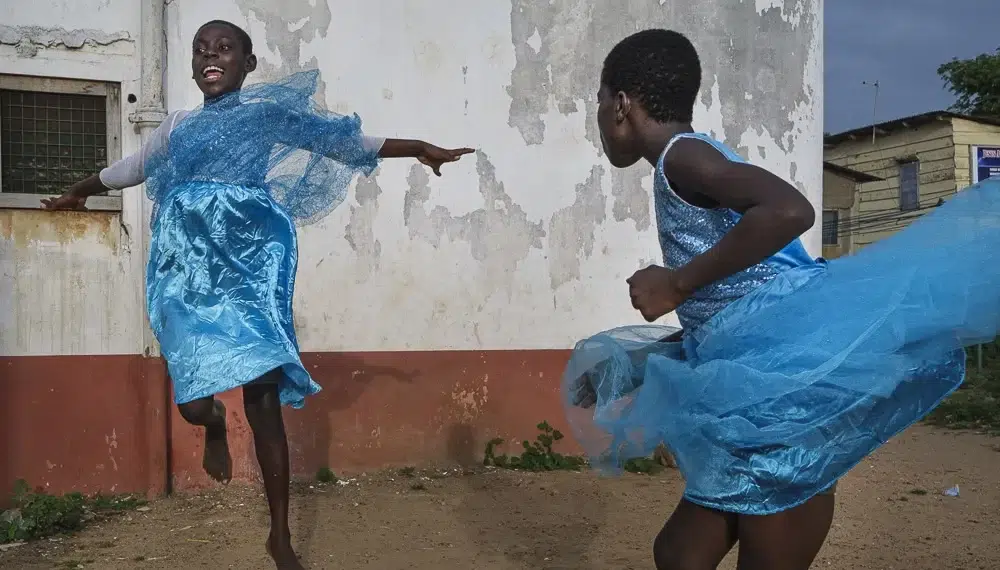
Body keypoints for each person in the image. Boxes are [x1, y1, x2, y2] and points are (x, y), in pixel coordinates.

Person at [42, 20, 472, 570]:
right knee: (195, 405)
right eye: (200, 50)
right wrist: (78, 192)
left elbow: (342, 142)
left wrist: (417, 148)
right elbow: (129, 170)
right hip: (188, 273)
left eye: (224, 48)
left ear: (248, 63)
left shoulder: (266, 115)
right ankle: (214, 427)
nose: (209, 56)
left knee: (263, 401)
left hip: (248, 267)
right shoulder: (176, 127)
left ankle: (279, 535)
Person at [564, 28, 1000, 570]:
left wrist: (677, 282)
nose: (600, 113)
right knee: (677, 554)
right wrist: (638, 363)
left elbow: (789, 210)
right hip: (755, 393)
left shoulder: (683, 158)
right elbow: (741, 310)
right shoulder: (683, 165)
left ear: (622, 103)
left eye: (601, 101)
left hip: (783, 409)